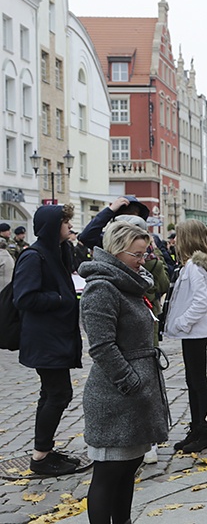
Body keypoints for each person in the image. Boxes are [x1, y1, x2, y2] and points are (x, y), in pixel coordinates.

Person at [78, 221, 170, 523]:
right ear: (117, 252)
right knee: (108, 472)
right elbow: (102, 346)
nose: (143, 261)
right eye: (138, 254)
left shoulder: (129, 284)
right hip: (115, 397)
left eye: (145, 254)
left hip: (136, 396)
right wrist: (131, 382)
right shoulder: (102, 288)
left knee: (129, 468)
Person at [12, 204, 81, 476]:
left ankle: (45, 451)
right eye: (65, 222)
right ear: (53, 226)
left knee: (52, 393)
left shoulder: (58, 251)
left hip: (55, 337)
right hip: (45, 340)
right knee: (59, 393)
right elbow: (24, 297)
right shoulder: (34, 256)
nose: (69, 226)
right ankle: (40, 457)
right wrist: (62, 299)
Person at [164, 219, 207, 453]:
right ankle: (197, 428)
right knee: (193, 381)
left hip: (194, 331)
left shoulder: (194, 266)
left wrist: (182, 322)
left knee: (197, 382)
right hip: (193, 332)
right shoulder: (193, 265)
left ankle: (203, 430)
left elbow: (201, 302)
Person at [78, 195, 151, 250]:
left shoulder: (108, 240)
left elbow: (86, 237)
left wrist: (110, 210)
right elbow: (86, 237)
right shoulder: (110, 239)